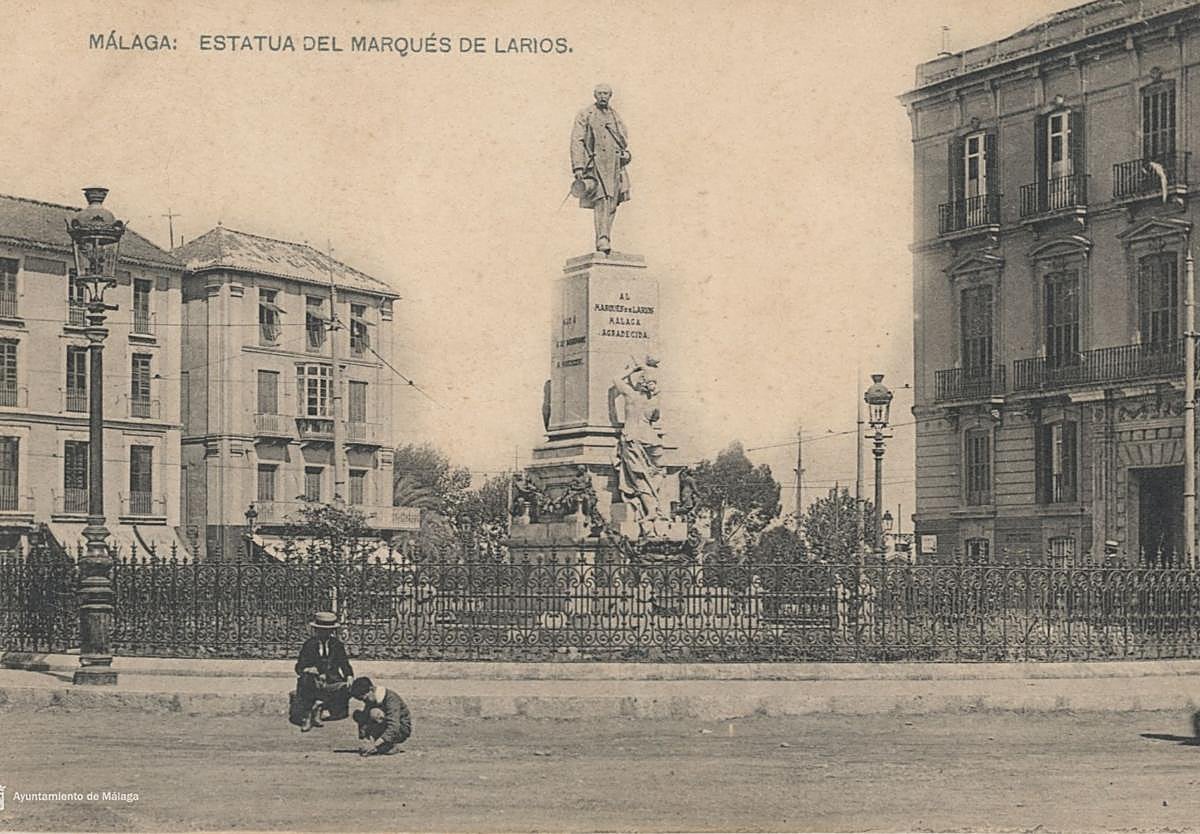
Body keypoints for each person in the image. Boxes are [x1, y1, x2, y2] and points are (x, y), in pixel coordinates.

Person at [570, 83, 631, 254]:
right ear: (595, 95)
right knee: (602, 199)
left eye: (607, 94)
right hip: (595, 163)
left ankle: (606, 236)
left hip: (614, 164)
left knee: (612, 202)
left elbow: (624, 140)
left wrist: (625, 155)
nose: (603, 96)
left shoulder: (614, 115)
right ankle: (602, 239)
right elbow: (577, 140)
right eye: (600, 93)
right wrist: (578, 167)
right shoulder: (586, 114)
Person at [291, 611, 354, 732]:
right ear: (316, 630)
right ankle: (308, 716)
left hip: (331, 680)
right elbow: (299, 667)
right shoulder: (309, 645)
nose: (325, 633)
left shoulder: (337, 645)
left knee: (347, 686)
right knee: (306, 680)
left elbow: (345, 664)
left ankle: (320, 707)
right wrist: (308, 669)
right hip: (313, 680)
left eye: (328, 630)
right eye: (322, 630)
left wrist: (350, 676)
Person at [349, 676, 412, 756]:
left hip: (400, 730)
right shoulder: (371, 698)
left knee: (374, 713)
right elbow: (366, 721)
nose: (365, 701)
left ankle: (389, 744)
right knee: (359, 714)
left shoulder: (391, 699)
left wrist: (374, 745)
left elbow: (393, 727)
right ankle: (383, 746)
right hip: (384, 727)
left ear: (371, 689)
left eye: (365, 698)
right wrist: (366, 740)